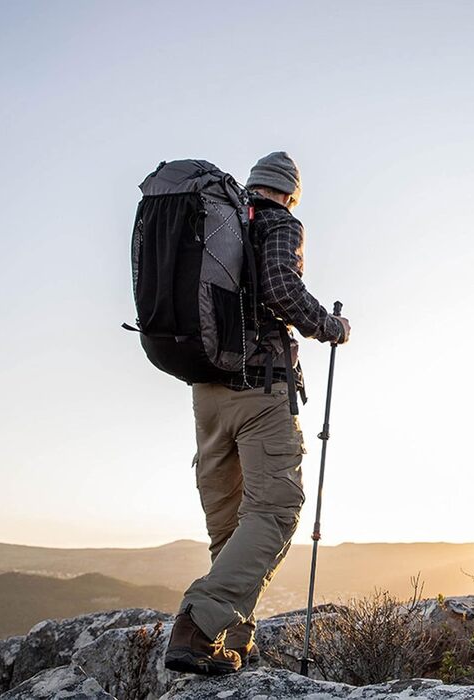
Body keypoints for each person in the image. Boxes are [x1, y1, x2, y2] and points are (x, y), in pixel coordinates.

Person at [164, 151, 351, 675]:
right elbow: (280, 287)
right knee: (275, 510)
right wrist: (329, 327)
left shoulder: (214, 221)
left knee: (229, 525)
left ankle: (230, 641)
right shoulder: (278, 223)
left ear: (251, 185)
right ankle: (197, 626)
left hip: (206, 394)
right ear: (289, 193)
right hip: (258, 390)